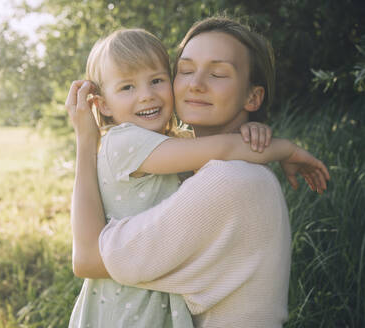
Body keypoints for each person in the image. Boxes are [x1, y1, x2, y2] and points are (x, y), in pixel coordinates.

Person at [66, 23, 329, 328]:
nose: (196, 84)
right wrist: (278, 147)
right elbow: (87, 260)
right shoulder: (222, 167)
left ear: (253, 97)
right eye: (186, 70)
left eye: (217, 74)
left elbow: (89, 258)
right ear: (104, 104)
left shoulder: (227, 180)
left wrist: (87, 142)